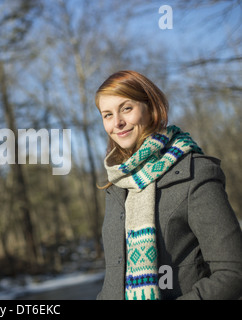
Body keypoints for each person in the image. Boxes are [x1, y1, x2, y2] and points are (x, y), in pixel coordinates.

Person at [94, 70, 242, 300]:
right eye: (107, 115)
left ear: (151, 107)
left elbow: (233, 274)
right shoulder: (117, 185)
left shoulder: (195, 174)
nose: (117, 123)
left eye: (126, 108)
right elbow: (114, 281)